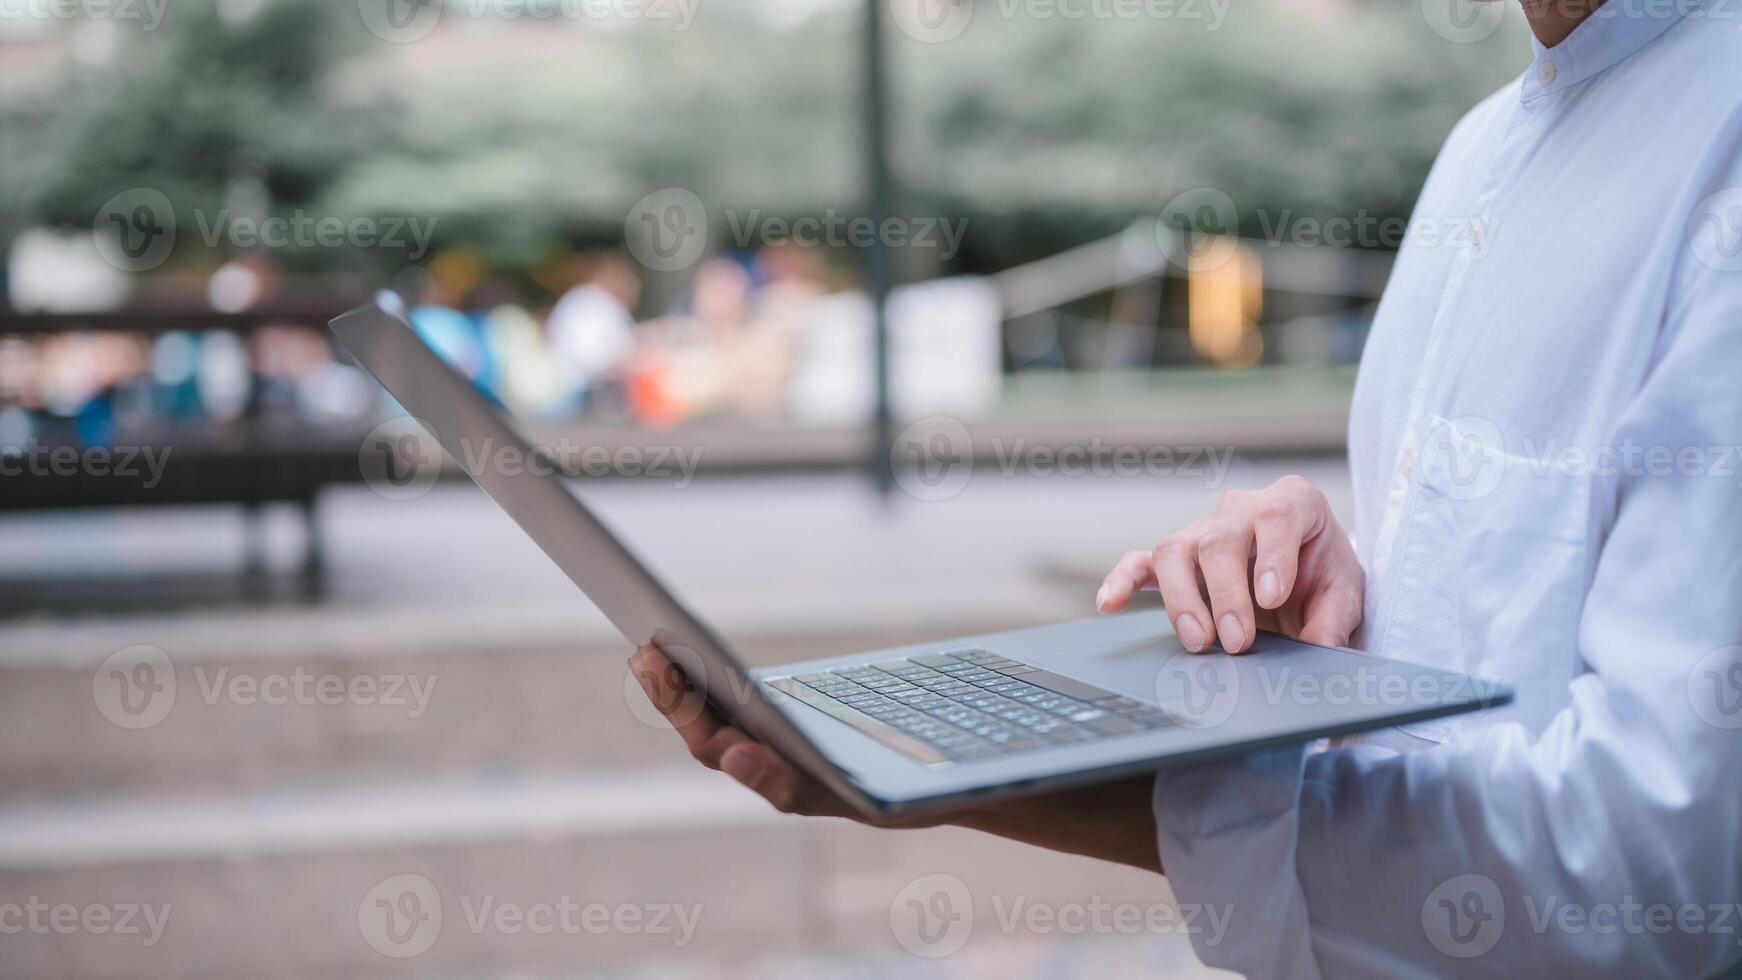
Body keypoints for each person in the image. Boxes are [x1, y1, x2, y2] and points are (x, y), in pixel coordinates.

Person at [630, 4, 1742, 975]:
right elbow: (1508, 627)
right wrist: (1329, 593)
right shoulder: (1481, 148)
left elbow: (1638, 874)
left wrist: (962, 773)